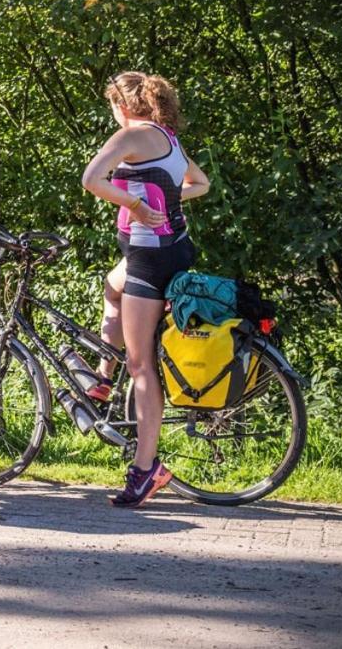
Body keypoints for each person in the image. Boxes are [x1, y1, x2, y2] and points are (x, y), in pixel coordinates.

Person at [81, 72, 210, 507]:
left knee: (141, 368)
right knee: (110, 288)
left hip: (148, 259)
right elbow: (201, 183)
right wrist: (166, 202)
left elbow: (91, 181)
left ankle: (145, 469)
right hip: (175, 249)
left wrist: (137, 205)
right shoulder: (168, 139)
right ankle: (101, 377)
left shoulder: (128, 137)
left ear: (122, 105)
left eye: (111, 105)